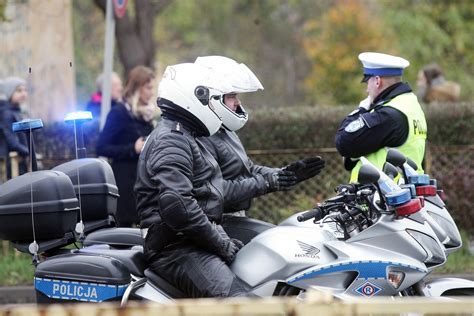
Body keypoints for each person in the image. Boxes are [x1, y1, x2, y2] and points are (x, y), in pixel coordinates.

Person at [134, 62, 251, 298]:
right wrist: (221, 244)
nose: (215, 107)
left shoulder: (186, 135)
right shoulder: (172, 140)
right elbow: (178, 206)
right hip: (177, 248)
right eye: (211, 99)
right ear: (194, 96)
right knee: (242, 304)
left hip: (193, 239)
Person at [195, 56, 325, 220]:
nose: (237, 102)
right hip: (216, 221)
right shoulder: (201, 137)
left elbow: (248, 169)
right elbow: (215, 190)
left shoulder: (225, 131)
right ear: (212, 98)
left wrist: (285, 174)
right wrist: (269, 182)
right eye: (231, 96)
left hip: (235, 216)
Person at [335, 52, 427, 182]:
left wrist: (360, 110)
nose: (367, 89)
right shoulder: (410, 104)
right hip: (407, 190)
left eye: (367, 82)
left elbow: (344, 142)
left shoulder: (388, 115)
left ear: (377, 81)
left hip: (383, 195)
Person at [97, 66, 156, 227]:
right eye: (148, 87)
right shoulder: (119, 112)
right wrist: (132, 149)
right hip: (126, 184)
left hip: (145, 183)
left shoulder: (146, 114)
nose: (152, 92)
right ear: (137, 87)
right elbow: (102, 147)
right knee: (126, 235)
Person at [0, 77, 30, 179]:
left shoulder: (17, 111)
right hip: (10, 164)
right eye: (19, 90)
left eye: (25, 90)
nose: (23, 93)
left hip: (18, 161)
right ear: (10, 93)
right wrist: (30, 152)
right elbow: (12, 143)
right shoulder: (6, 114)